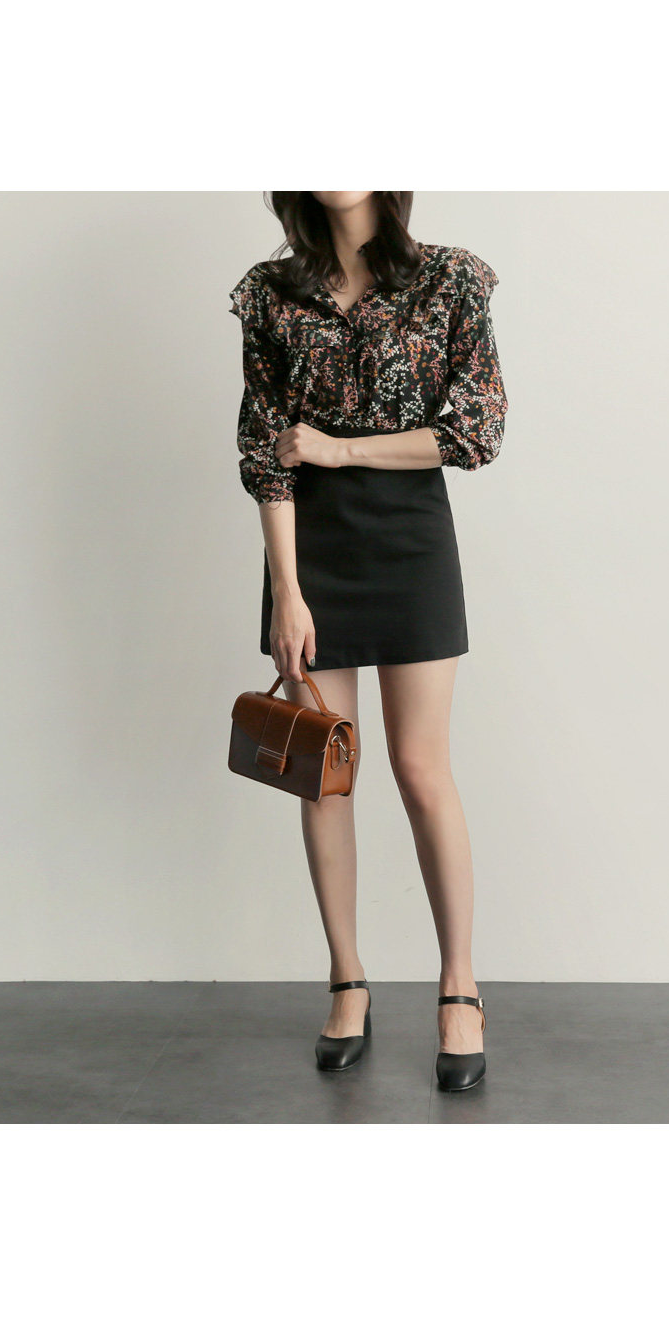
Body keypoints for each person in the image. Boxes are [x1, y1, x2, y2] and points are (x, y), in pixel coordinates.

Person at [231, 190, 506, 1090]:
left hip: (411, 539)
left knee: (422, 768)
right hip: (311, 552)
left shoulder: (450, 280)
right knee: (324, 772)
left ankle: (459, 987)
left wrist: (343, 450)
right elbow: (267, 452)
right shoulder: (271, 292)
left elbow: (477, 431)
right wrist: (287, 591)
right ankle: (347, 980)